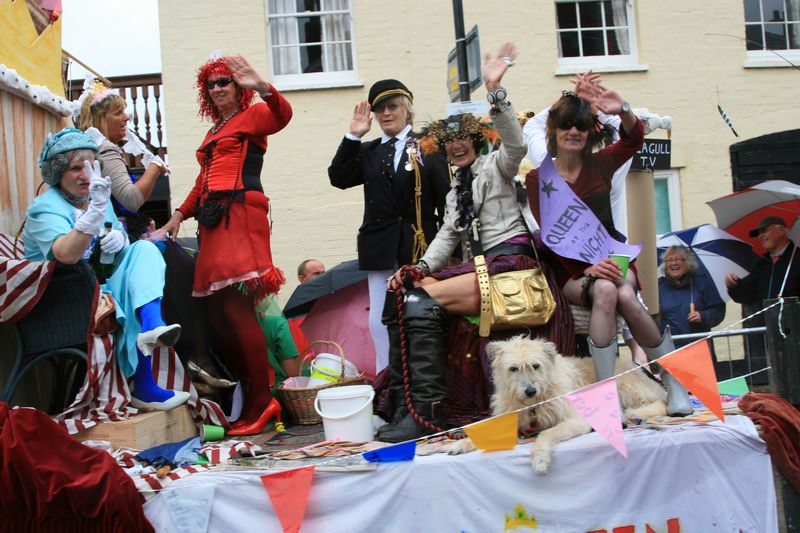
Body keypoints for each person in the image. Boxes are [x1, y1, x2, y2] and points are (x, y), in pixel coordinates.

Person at [378, 43, 572, 442]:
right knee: (401, 292)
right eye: (448, 140)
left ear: (477, 140)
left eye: (464, 136)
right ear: (442, 148)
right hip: (480, 270)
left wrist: (495, 93)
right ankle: (404, 405)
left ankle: (425, 415)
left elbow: (516, 147)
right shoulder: (454, 189)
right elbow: (447, 235)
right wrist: (419, 268)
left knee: (420, 301)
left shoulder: (496, 168)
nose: (456, 144)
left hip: (512, 265)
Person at [525, 74, 693, 418]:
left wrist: (624, 110)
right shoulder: (537, 178)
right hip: (572, 269)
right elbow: (551, 235)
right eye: (566, 126)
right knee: (605, 290)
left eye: (582, 127)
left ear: (589, 134)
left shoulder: (600, 164)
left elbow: (633, 140)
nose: (574, 132)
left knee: (620, 294)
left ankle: (673, 382)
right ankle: (607, 398)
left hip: (614, 259)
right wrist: (587, 267)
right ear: (554, 132)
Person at [160, 54, 292, 435]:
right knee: (218, 313)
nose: (217, 88)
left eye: (224, 82)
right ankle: (251, 394)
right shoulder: (214, 131)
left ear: (237, 87)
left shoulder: (252, 118)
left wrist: (261, 85)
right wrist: (178, 217)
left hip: (240, 215)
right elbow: (202, 184)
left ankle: (262, 400)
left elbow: (283, 116)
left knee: (235, 308)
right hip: (214, 221)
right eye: (212, 84)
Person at [23, 128, 188, 411]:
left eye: (91, 166)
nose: (86, 175)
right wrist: (92, 219)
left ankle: (152, 326)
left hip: (98, 288)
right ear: (57, 172)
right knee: (123, 293)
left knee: (144, 249)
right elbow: (66, 254)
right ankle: (144, 385)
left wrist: (121, 240)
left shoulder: (94, 196)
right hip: (62, 303)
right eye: (76, 168)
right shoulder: (44, 208)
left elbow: (118, 255)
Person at [328, 78, 451, 375]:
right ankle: (388, 382)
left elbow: (447, 200)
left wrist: (452, 249)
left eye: (392, 106)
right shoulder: (369, 151)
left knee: (420, 313)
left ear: (407, 109)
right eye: (379, 109)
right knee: (379, 319)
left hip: (419, 243)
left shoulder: (428, 145)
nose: (386, 114)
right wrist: (353, 136)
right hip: (380, 245)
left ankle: (425, 379)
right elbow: (339, 176)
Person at [75, 77, 168, 213]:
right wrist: (155, 166)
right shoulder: (105, 149)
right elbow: (131, 200)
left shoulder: (90, 147)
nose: (127, 117)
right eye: (118, 113)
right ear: (101, 120)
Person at [659, 246, 725, 346]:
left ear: (688, 262)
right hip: (670, 349)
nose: (673, 263)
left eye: (678, 259)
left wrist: (702, 316)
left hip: (699, 347)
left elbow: (718, 311)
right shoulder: (659, 287)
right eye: (669, 260)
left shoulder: (702, 283)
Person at [726, 216, 800, 304]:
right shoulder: (763, 265)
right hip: (769, 317)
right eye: (759, 233)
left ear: (781, 230)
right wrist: (734, 285)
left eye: (764, 230)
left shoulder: (797, 257)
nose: (760, 236)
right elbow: (748, 296)